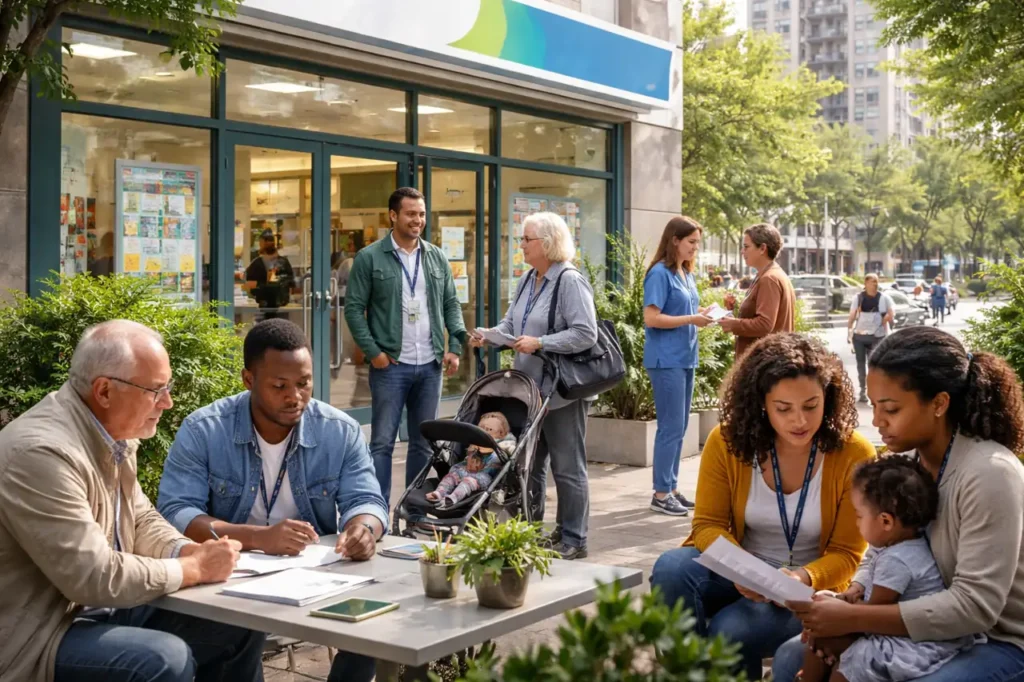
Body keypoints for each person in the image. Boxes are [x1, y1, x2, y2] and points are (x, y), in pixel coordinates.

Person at [0, 320, 265, 682]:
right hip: (38, 638)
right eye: (156, 390)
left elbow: (140, 519)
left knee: (239, 618)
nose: (168, 403)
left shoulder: (111, 433)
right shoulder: (42, 454)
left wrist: (186, 551)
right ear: (105, 391)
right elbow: (93, 576)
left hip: (95, 613)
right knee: (161, 659)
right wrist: (195, 569)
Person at [774, 326, 1024, 682]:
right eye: (874, 406)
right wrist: (853, 594)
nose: (876, 421)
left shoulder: (990, 474)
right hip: (924, 620)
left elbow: (975, 608)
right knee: (790, 656)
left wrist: (854, 620)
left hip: (999, 641)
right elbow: (882, 549)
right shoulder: (909, 465)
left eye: (890, 409)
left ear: (939, 403)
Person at [157, 318, 388, 682]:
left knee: (378, 618)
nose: (294, 396)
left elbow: (367, 499)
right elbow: (175, 511)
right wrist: (257, 538)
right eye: (279, 385)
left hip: (315, 576)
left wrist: (363, 529)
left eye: (304, 383)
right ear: (248, 380)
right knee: (238, 627)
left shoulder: (338, 430)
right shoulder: (205, 429)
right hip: (228, 577)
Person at [649, 333, 873, 680]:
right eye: (783, 409)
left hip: (804, 589)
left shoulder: (853, 453)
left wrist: (801, 577)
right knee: (671, 567)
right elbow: (707, 525)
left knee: (729, 629)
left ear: (828, 398)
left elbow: (848, 554)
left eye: (811, 405)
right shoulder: (726, 441)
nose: (799, 421)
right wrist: (746, 571)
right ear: (761, 405)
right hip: (738, 569)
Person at [469, 211, 598, 560]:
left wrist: (542, 343)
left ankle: (574, 537)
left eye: (527, 239)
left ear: (548, 243)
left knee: (567, 467)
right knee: (529, 465)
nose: (521, 245)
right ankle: (531, 529)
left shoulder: (569, 280)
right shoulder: (529, 279)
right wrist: (488, 336)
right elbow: (512, 325)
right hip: (529, 392)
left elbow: (586, 333)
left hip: (560, 392)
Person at [798, 456, 974, 682]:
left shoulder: (897, 561)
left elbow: (871, 616)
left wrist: (832, 617)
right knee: (823, 615)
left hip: (907, 642)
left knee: (843, 658)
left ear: (886, 522)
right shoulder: (902, 545)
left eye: (859, 516)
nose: (856, 523)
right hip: (887, 625)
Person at [344, 187, 467, 503]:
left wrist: (455, 345)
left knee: (423, 443)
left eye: (422, 214)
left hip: (430, 365)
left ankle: (413, 510)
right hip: (391, 367)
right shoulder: (369, 258)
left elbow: (452, 303)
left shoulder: (437, 257)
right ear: (393, 216)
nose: (418, 220)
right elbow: (354, 308)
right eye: (411, 214)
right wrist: (374, 353)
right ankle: (376, 511)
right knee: (382, 442)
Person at [643, 216, 713, 515]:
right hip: (666, 359)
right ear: (675, 240)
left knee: (680, 426)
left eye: (697, 243)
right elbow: (652, 318)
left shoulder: (685, 273)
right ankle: (660, 494)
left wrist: (704, 313)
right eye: (691, 242)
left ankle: (670, 488)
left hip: (685, 358)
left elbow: (683, 310)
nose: (695, 248)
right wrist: (691, 319)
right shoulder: (659, 273)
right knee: (670, 428)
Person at [719, 223, 796, 358]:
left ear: (762, 248)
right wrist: (736, 309)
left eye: (746, 247)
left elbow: (764, 324)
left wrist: (733, 325)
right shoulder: (771, 274)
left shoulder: (769, 278)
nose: (742, 251)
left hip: (763, 361)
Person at [426, 412, 516, 509]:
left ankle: (452, 498)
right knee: (452, 475)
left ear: (501, 434)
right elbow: (467, 459)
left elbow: (511, 450)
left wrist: (510, 450)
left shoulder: (504, 445)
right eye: (481, 428)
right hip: (467, 471)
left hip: (486, 478)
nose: (484, 432)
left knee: (468, 482)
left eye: (489, 429)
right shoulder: (476, 444)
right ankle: (439, 492)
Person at [846, 273, 895, 404]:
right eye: (872, 281)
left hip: (877, 336)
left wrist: (887, 318)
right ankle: (863, 390)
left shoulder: (884, 298)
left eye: (876, 281)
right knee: (860, 364)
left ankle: (875, 390)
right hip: (860, 337)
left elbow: (891, 313)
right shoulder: (858, 298)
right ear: (866, 283)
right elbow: (852, 315)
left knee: (874, 365)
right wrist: (849, 332)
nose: (874, 284)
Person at [245, 227, 296, 319]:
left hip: (275, 305)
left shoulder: (281, 263)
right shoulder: (258, 264)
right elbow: (249, 284)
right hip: (269, 305)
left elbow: (291, 283)